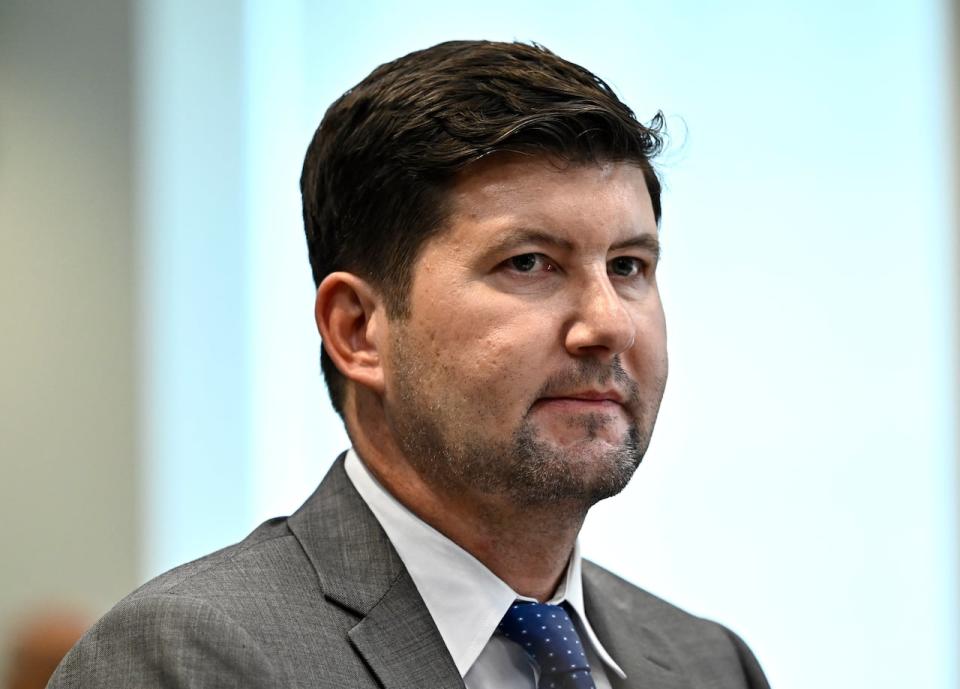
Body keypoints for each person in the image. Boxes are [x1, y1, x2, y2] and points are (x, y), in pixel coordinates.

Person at [50, 40, 770, 689]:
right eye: (529, 263)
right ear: (358, 329)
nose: (608, 322)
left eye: (629, 265)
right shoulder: (190, 661)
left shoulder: (709, 664)